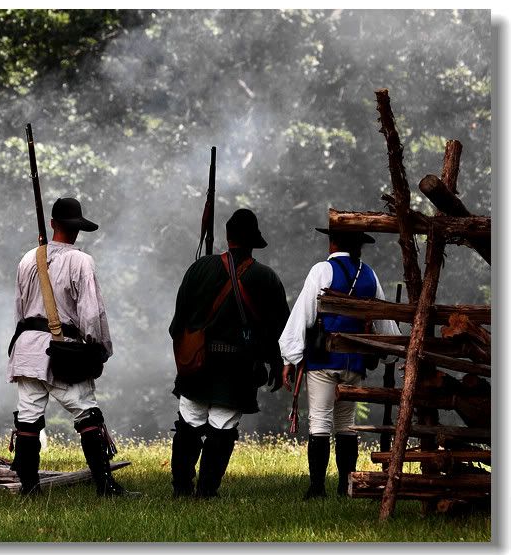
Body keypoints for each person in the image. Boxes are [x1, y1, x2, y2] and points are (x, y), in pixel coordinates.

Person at [7, 197, 128, 496]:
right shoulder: (81, 261)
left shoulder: (27, 259)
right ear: (77, 229)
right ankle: (104, 486)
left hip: (26, 351)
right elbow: (91, 313)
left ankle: (30, 488)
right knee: (87, 413)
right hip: (63, 351)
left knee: (28, 417)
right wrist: (100, 348)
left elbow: (20, 310)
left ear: (52, 225)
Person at [168, 208, 290, 498]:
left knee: (189, 423)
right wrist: (276, 362)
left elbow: (178, 323)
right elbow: (279, 329)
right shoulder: (266, 277)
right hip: (237, 369)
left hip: (197, 364)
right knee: (222, 428)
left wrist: (185, 356)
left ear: (228, 237)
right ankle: (207, 492)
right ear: (253, 242)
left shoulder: (199, 268)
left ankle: (182, 488)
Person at [278, 227, 401, 499]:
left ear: (333, 242)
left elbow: (304, 314)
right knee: (346, 424)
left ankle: (317, 488)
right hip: (354, 362)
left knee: (320, 421)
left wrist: (290, 356)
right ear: (359, 247)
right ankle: (346, 488)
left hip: (324, 359)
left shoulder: (321, 270)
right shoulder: (369, 275)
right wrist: (391, 352)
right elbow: (383, 320)